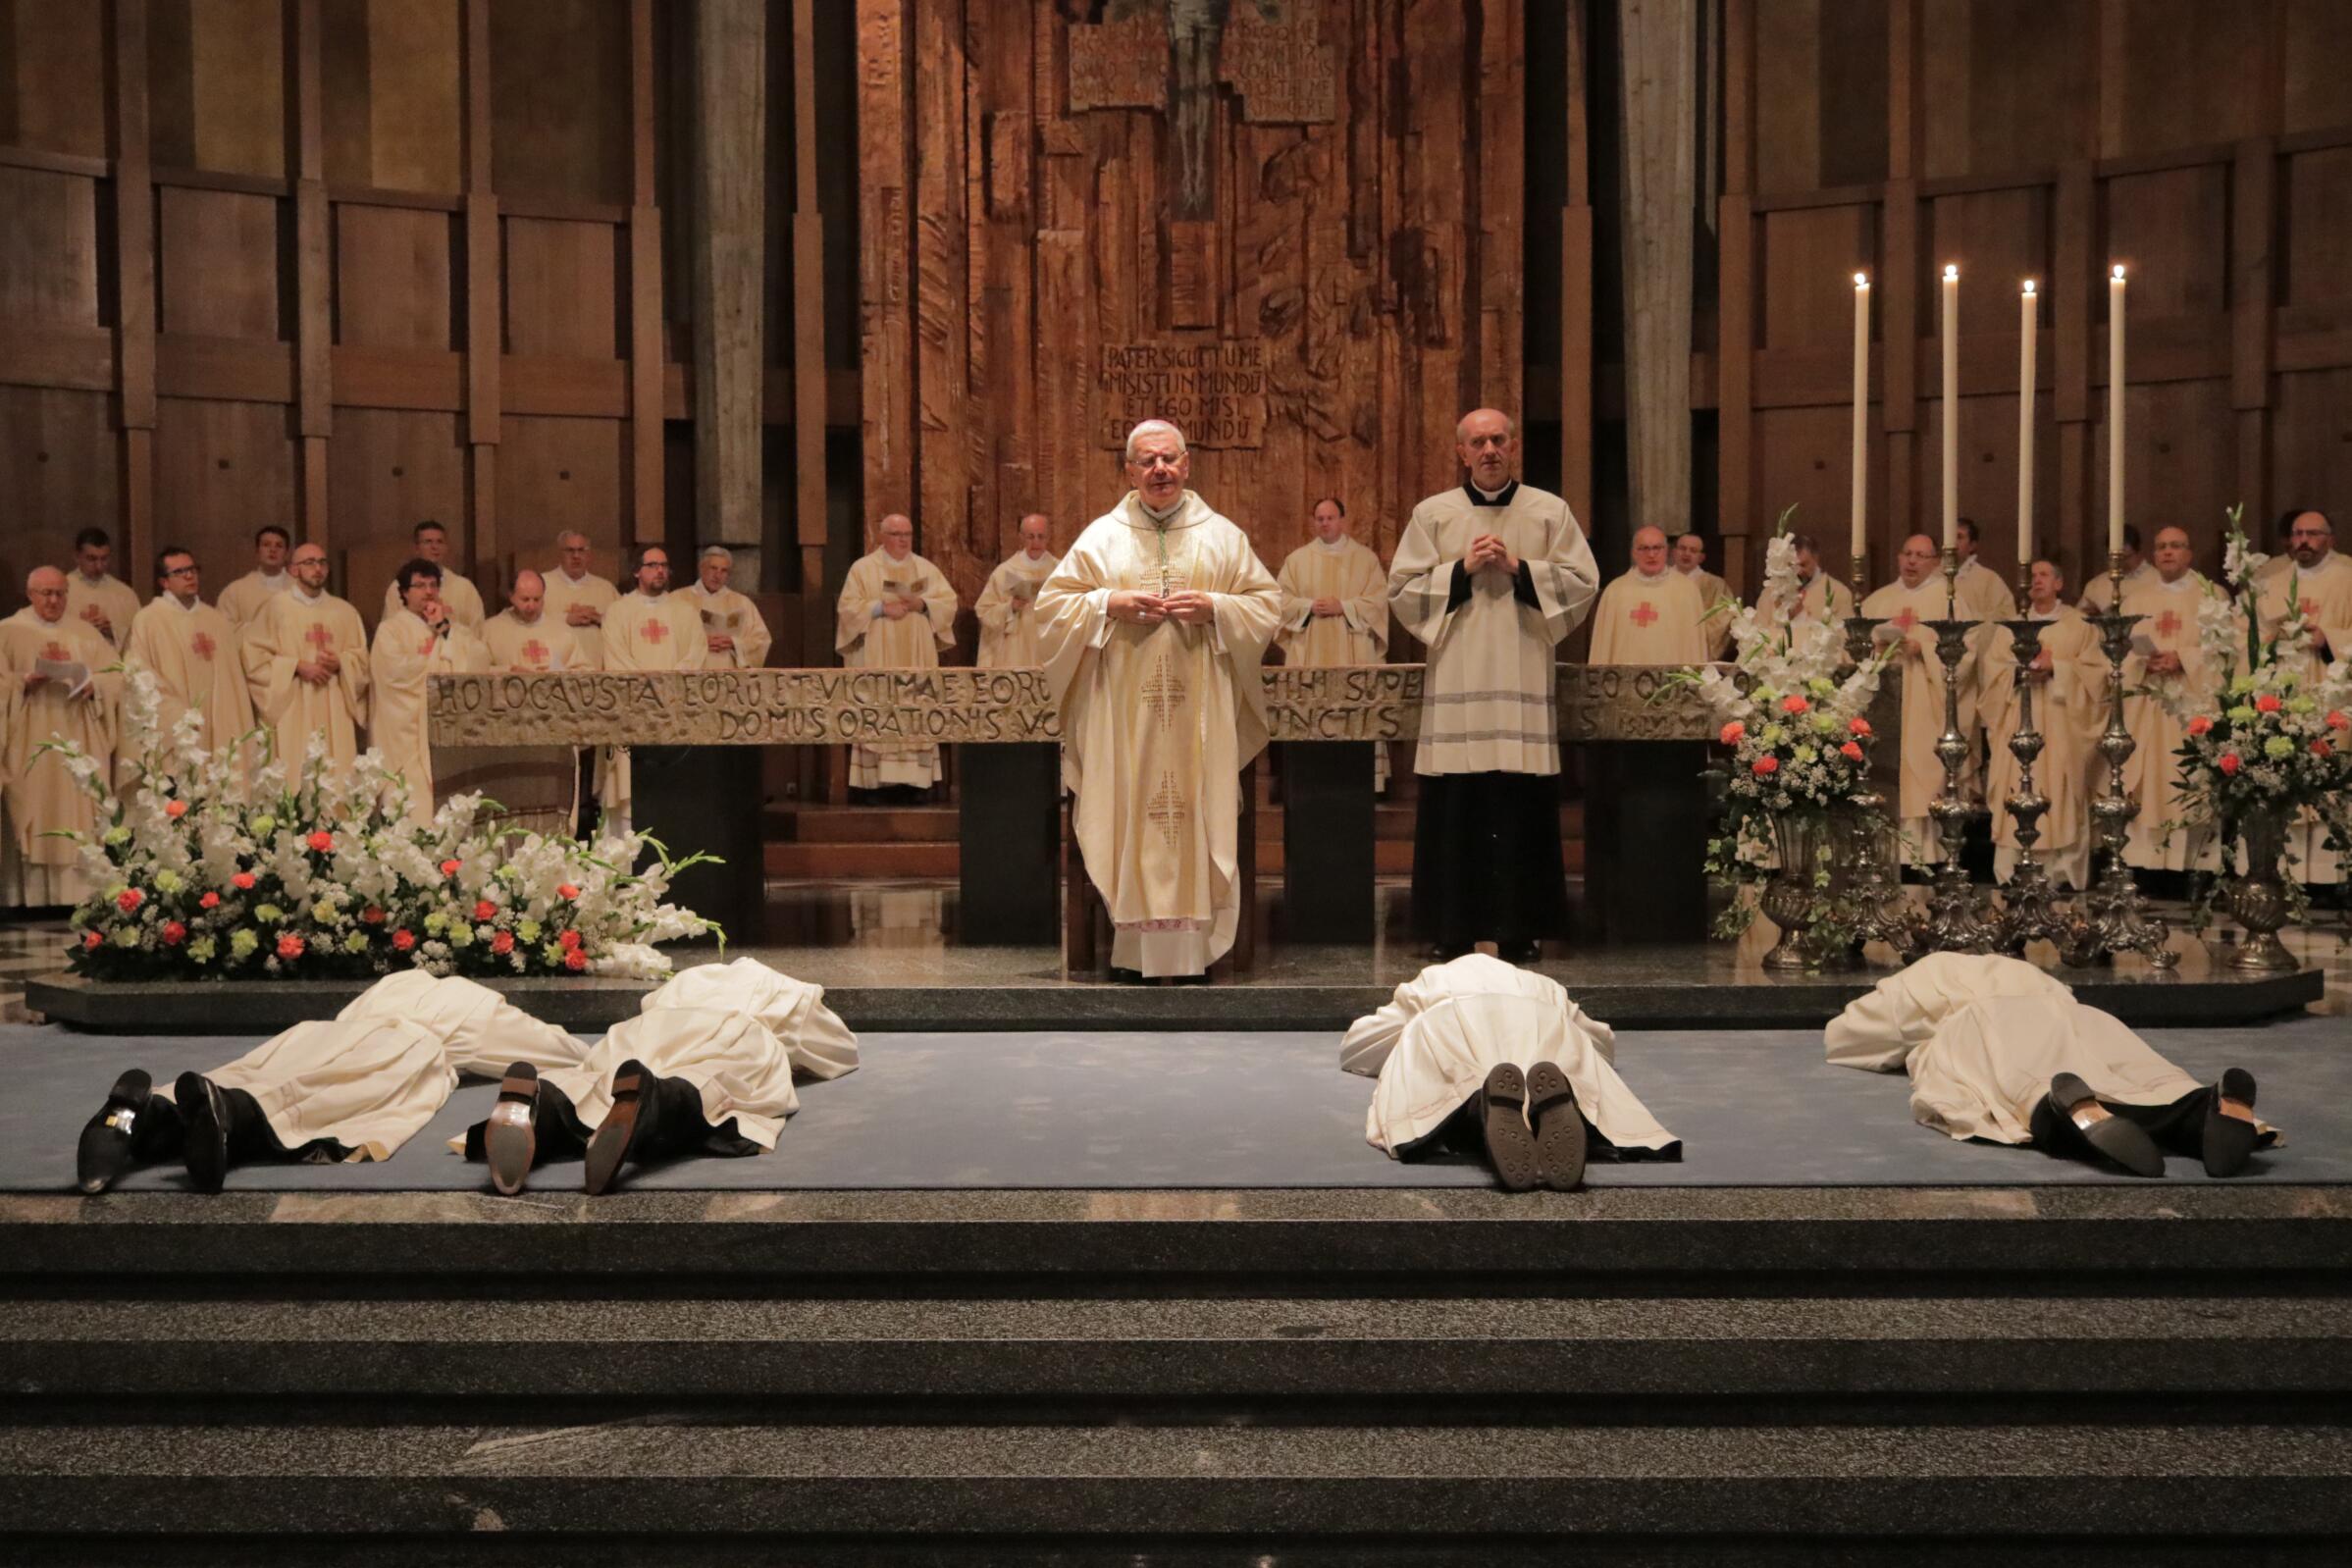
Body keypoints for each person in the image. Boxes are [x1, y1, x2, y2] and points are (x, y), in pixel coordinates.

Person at [1035, 419, 1282, 979]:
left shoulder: (1223, 536)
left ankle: (1191, 952)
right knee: (1127, 809)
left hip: (1201, 714)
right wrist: (1107, 603)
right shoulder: (1101, 537)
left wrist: (1219, 608)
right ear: (1129, 471)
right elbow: (1051, 608)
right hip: (1124, 715)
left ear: (1187, 464)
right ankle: (1131, 953)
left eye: (1168, 459)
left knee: (1192, 812)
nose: (1159, 470)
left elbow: (1267, 603)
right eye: (1147, 461)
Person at [1389, 409, 1598, 963]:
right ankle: (1451, 929)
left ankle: (1519, 929)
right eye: (1477, 442)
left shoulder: (1548, 511)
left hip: (1521, 675)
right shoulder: (1433, 514)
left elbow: (1583, 581)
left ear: (1514, 445)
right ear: (1461, 452)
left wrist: (1520, 567)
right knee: (1456, 806)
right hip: (1457, 679)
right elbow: (1402, 590)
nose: (1489, 450)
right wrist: (1459, 569)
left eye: (1498, 439)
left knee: (1518, 804)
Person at [74, 969, 586, 1194]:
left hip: (320, 1033)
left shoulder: (397, 981)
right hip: (406, 1047)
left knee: (268, 1068)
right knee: (329, 1097)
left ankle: (143, 1114)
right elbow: (558, 1051)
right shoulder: (477, 1008)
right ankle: (232, 1116)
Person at [1826, 954, 2277, 1178]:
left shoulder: (1929, 972)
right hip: (2078, 1016)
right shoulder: (2027, 972)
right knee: (2136, 1071)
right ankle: (2200, 1108)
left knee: (2020, 1080)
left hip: (1982, 1019)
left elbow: (1848, 1037)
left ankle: (2069, 1116)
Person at [466, 957, 859, 1196]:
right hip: (732, 1029)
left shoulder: (688, 979)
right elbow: (840, 1051)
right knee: (706, 1085)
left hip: (647, 1026)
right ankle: (651, 1100)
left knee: (592, 1085)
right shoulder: (784, 989)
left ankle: (543, 1105)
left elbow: (648, 1004)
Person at [1340, 955, 1681, 1192]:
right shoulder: (1542, 985)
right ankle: (1558, 1105)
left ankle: (1480, 1109)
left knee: (1447, 1085)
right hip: (1541, 1018)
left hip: (1450, 1017)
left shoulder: (1432, 981)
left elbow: (1358, 1046)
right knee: (1573, 1070)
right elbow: (1603, 1042)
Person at [0, 567, 119, 908]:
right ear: (30, 594)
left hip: (77, 736)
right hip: (29, 738)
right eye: (45, 593)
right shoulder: (8, 631)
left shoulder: (85, 634)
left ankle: (77, 898)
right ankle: (28, 901)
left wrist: (95, 684)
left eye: (60, 593)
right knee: (34, 808)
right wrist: (23, 682)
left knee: (77, 814)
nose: (54, 600)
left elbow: (117, 674)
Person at [1981, 558, 2101, 891]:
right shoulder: (2011, 627)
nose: (2037, 581)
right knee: (2015, 786)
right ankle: (2013, 869)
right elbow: (1992, 671)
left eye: (2044, 575)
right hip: (2018, 717)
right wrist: (2017, 671)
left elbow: (2097, 675)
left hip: (2061, 724)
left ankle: (2060, 871)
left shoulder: (2079, 625)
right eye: (2032, 576)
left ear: (2059, 584)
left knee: (2059, 788)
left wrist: (2057, 668)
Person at [1861, 534, 1980, 866]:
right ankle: (1882, 853)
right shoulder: (1878, 600)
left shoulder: (1950, 598)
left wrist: (1924, 650)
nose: (1912, 561)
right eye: (1907, 553)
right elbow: (1853, 649)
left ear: (1935, 561)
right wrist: (1876, 650)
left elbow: (1967, 651)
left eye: (1921, 555)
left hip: (1925, 705)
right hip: (1885, 704)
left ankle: (1926, 857)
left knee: (1923, 779)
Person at [2251, 508, 2352, 887]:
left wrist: (2329, 638)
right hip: (2285, 693)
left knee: (2330, 775)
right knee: (2285, 777)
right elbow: (2250, 636)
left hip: (2334, 692)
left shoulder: (2348, 577)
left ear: (2331, 539)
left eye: (2312, 533)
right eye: (2297, 534)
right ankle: (2290, 876)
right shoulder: (2273, 582)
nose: (2303, 541)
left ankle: (2334, 879)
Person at [835, 514, 958, 800]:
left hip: (917, 654)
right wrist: (879, 608)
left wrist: (923, 603)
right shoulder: (863, 569)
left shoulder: (925, 569)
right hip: (879, 655)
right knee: (880, 707)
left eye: (907, 534)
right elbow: (847, 609)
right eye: (896, 534)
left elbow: (948, 602)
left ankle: (915, 785)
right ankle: (876, 785)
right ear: (882, 537)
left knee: (916, 707)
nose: (903, 539)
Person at [2117, 526, 2216, 877]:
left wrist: (2184, 659)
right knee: (2146, 782)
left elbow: (2227, 653)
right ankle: (2145, 865)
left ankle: (2192, 868)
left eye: (2176, 546)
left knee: (2188, 777)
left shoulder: (2211, 595)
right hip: (2148, 705)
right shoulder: (2135, 599)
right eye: (2161, 547)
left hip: (2188, 707)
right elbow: (2118, 653)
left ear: (2190, 553)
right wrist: (2142, 662)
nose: (2167, 553)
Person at [1274, 497, 1391, 789]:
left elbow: (1378, 601)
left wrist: (1345, 607)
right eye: (1320, 518)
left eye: (1331, 517)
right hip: (1310, 651)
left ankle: (1359, 781)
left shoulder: (1365, 559)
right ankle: (1308, 779)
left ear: (1343, 520)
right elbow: (1280, 601)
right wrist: (1308, 606)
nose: (1325, 523)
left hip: (1352, 651)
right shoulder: (1297, 560)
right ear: (1314, 522)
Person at [238, 541, 370, 792]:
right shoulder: (275, 607)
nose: (317, 569)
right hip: (293, 702)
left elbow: (362, 660)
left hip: (334, 704)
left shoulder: (344, 612)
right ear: (293, 570)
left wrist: (341, 662)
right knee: (294, 770)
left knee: (336, 772)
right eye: (309, 563)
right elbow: (253, 655)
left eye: (322, 562)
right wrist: (296, 666)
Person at [369, 559, 489, 824]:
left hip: (443, 732)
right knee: (411, 808)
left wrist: (443, 630)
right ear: (403, 592)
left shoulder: (452, 629)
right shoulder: (391, 630)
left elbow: (477, 662)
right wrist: (439, 662)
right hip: (406, 732)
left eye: (433, 585)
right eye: (420, 585)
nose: (428, 591)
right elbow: (392, 676)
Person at [123, 547, 256, 760]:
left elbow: (233, 683)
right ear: (164, 582)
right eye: (179, 572)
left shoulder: (216, 620)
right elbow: (140, 675)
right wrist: (176, 715)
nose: (189, 575)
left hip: (218, 727)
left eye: (192, 569)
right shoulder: (149, 620)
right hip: (176, 727)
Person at [1588, 524, 1707, 665]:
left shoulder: (1687, 591)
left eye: (1657, 548)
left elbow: (1694, 648)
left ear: (1667, 551)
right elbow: (1602, 650)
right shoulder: (1615, 592)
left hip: (1671, 682)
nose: (1651, 554)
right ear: (1633, 552)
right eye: (1644, 548)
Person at [974, 513, 1062, 668]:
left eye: (1041, 536)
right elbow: (984, 610)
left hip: (1049, 644)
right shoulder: (1005, 571)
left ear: (1048, 538)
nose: (1036, 542)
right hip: (1014, 648)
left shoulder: (1060, 570)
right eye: (1030, 536)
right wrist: (1010, 608)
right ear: (1021, 538)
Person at [379, 520, 484, 631]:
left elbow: (477, 630)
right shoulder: (399, 587)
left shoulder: (464, 587)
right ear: (416, 548)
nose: (434, 547)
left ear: (446, 547)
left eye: (439, 542)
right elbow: (390, 629)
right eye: (428, 542)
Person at [542, 530, 619, 668]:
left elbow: (624, 626)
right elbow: (528, 623)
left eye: (581, 550)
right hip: (556, 668)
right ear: (559, 553)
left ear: (589, 554)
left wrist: (601, 619)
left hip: (597, 666)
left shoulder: (605, 588)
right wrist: (566, 619)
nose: (576, 556)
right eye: (570, 550)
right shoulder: (542, 584)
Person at [482, 570, 583, 673]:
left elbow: (586, 672)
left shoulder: (564, 632)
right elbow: (475, 670)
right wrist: (508, 671)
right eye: (525, 599)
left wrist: (557, 673)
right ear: (511, 596)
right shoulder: (490, 630)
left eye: (537, 599)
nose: (532, 606)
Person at [691, 546, 772, 669]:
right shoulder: (680, 600)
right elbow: (670, 640)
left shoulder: (743, 603)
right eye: (713, 568)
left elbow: (762, 640)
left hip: (730, 673)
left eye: (724, 571)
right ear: (701, 568)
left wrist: (734, 643)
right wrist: (701, 642)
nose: (717, 575)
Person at [1752, 532, 1855, 630]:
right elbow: (1759, 636)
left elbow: (1843, 638)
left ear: (1816, 559)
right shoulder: (1770, 594)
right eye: (1793, 566)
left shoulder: (1839, 593)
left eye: (1803, 565)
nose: (1798, 572)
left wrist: (1801, 616)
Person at [63, 527, 140, 653]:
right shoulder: (61, 590)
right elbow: (50, 631)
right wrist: (81, 628)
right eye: (92, 559)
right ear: (77, 557)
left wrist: (112, 631)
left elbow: (138, 638)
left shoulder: (124, 593)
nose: (99, 566)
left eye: (104, 559)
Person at [216, 524, 294, 627]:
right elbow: (221, 628)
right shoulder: (235, 591)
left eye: (279, 546)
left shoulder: (298, 588)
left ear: (287, 553)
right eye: (266, 545)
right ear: (257, 551)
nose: (272, 550)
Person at [1671, 531, 1735, 657]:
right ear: (1673, 552)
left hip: (1695, 649)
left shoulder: (1715, 585)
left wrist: (1690, 634)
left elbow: (1722, 620)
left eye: (1693, 550)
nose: (1686, 554)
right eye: (1682, 548)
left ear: (1701, 557)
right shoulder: (1659, 582)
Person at [1949, 517, 2017, 620]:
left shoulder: (1989, 580)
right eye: (1949, 537)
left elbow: (2005, 616)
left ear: (1972, 545)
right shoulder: (1934, 575)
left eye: (1959, 537)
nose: (1953, 542)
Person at [2075, 523, 2149, 615]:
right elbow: (2079, 618)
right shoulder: (2096, 585)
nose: (2120, 562)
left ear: (2138, 552)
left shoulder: (2156, 580)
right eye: (2115, 557)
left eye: (2126, 558)